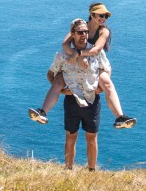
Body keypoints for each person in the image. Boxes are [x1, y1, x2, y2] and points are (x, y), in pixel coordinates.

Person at [28, 2, 136, 129]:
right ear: (92, 15)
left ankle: (120, 117)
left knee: (107, 83)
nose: (104, 19)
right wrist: (76, 55)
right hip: (76, 63)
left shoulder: (104, 31)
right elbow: (65, 45)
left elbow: (96, 50)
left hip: (95, 61)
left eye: (106, 16)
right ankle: (42, 112)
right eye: (101, 15)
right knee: (58, 82)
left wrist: (79, 54)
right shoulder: (81, 25)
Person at [43, 19, 106, 170]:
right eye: (80, 32)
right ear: (72, 34)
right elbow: (50, 74)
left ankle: (92, 170)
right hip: (72, 101)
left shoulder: (96, 52)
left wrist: (102, 88)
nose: (84, 35)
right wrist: (62, 90)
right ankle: (68, 169)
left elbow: (106, 70)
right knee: (71, 137)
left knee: (92, 138)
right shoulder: (62, 55)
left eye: (86, 32)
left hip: (92, 100)